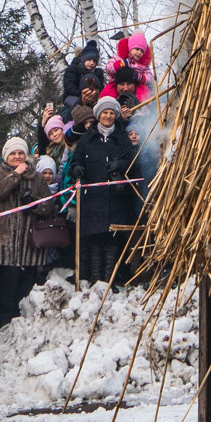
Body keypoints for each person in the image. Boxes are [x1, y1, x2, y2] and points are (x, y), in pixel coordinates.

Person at [66, 97, 141, 284]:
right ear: (98, 115)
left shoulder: (122, 138)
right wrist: (77, 169)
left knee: (113, 238)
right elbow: (75, 161)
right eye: (104, 113)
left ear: (116, 115)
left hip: (117, 197)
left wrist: (121, 164)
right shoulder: (87, 139)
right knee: (95, 237)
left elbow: (134, 163)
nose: (108, 116)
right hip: (94, 198)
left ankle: (109, 280)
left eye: (111, 113)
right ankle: (96, 278)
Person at [0, 141, 57, 322]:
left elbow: (48, 206)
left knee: (26, 286)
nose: (17, 156)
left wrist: (32, 202)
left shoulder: (37, 177)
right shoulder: (0, 174)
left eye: (20, 153)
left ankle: (26, 322)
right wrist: (15, 175)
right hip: (6, 241)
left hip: (30, 241)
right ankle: (4, 322)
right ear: (6, 156)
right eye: (12, 153)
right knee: (7, 286)